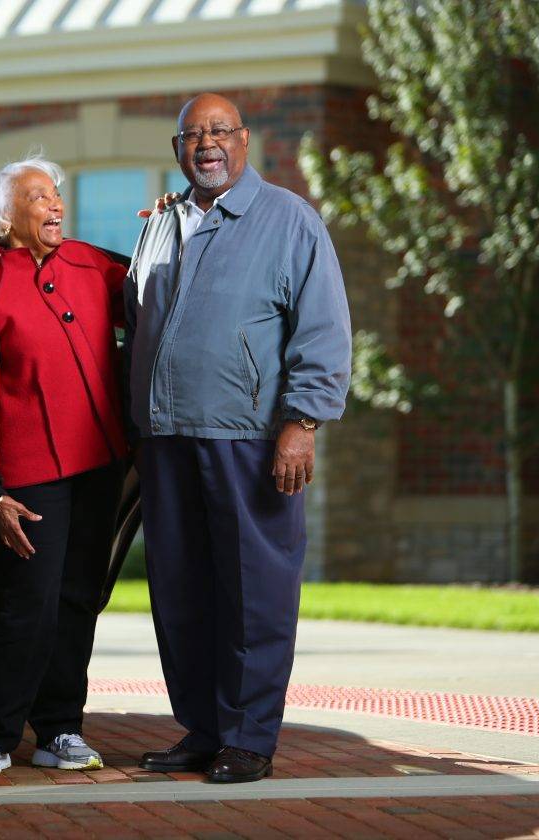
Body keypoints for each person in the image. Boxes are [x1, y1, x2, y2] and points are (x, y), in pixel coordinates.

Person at [124, 94, 352, 783]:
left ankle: (250, 738)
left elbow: (324, 328)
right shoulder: (161, 224)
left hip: (251, 439)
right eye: (193, 135)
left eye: (219, 131)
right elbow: (135, 319)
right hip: (167, 439)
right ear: (176, 149)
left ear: (244, 140)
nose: (206, 145)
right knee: (181, 589)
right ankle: (205, 728)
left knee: (255, 591)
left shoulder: (289, 220)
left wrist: (302, 422)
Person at [0, 156, 128, 775]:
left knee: (80, 598)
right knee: (32, 602)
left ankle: (60, 731)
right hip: (29, 477)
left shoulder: (93, 264)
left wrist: (167, 225)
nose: (55, 206)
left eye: (55, 195)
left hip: (98, 462)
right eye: (38, 198)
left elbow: (160, 290)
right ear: (5, 218)